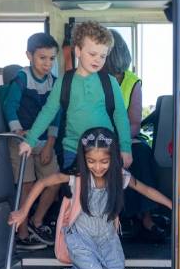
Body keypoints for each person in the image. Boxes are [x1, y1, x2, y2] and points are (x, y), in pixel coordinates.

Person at [9, 126, 172, 269]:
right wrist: (23, 211)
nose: (97, 167)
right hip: (80, 236)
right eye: (91, 161)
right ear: (83, 159)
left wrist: (173, 205)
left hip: (107, 238)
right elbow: (42, 183)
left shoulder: (119, 177)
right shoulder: (76, 177)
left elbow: (146, 190)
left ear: (113, 159)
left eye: (104, 161)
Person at [19, 21, 133, 171]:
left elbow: (121, 116)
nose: (98, 60)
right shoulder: (64, 81)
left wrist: (125, 148)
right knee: (77, 193)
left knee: (104, 194)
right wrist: (30, 140)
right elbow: (48, 112)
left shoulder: (110, 82)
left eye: (103, 56)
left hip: (105, 150)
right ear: (78, 51)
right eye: (92, 54)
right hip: (73, 151)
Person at [105, 29, 167, 242]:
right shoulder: (91, 77)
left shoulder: (133, 82)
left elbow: (134, 122)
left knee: (141, 153)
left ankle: (146, 217)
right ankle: (117, 219)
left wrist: (120, 141)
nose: (117, 76)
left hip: (125, 135)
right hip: (97, 135)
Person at [3, 33, 61, 250]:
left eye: (52, 58)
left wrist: (50, 144)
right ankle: (23, 233)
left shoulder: (54, 83)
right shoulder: (21, 78)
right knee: (25, 188)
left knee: (54, 182)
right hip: (22, 140)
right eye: (42, 58)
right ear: (29, 56)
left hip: (45, 141)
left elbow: (56, 115)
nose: (47, 63)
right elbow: (10, 106)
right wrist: (18, 131)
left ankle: (37, 221)